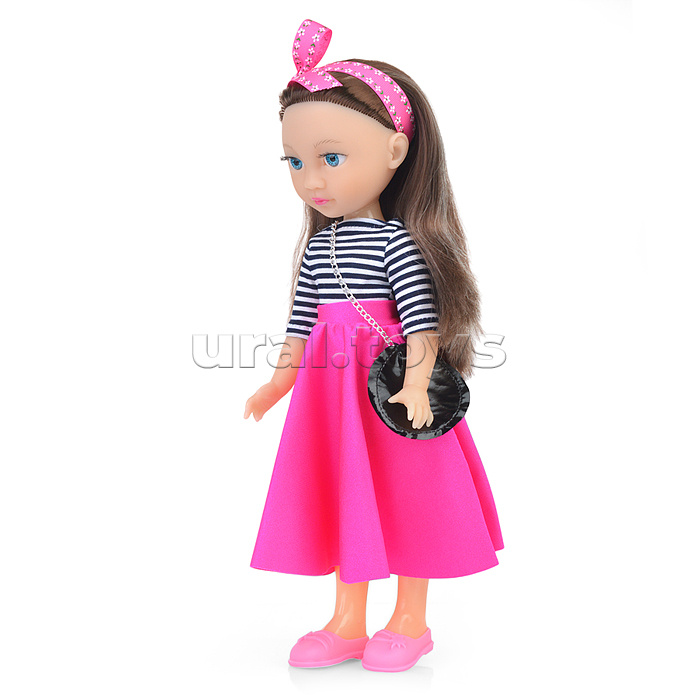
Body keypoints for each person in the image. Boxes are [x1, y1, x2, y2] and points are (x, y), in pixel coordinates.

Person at [243, 19, 503, 673]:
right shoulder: (320, 247)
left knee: (409, 492)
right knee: (344, 493)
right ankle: (348, 619)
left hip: (389, 390)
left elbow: (421, 323)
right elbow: (300, 323)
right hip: (331, 394)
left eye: (330, 158)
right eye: (295, 162)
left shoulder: (397, 245)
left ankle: (411, 620)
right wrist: (279, 382)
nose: (311, 179)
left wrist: (416, 384)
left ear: (394, 151)